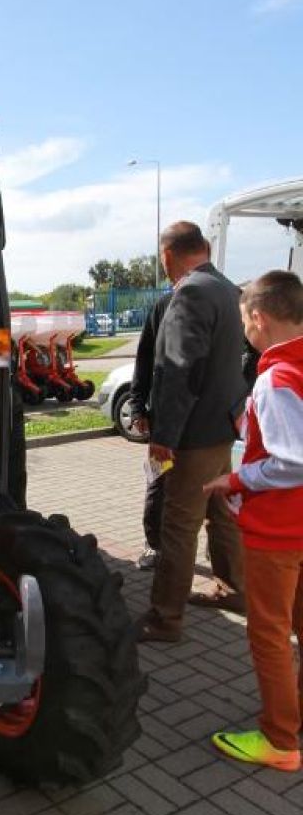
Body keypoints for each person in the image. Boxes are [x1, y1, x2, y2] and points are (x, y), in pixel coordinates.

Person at [203, 270, 303, 770]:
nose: (244, 328)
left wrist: (236, 481)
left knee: (268, 633)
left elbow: (293, 460)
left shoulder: (276, 376)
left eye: (244, 319)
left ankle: (281, 740)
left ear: (259, 317)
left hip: (279, 532)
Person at [136, 221, 246, 642]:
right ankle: (234, 589)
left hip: (193, 434)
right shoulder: (227, 288)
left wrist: (164, 435)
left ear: (169, 255)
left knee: (178, 524)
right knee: (222, 515)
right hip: (223, 427)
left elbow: (180, 371)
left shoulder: (191, 292)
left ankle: (165, 619)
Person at [130, 291, 173, 569]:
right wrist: (137, 406)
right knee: (158, 480)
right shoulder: (164, 305)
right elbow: (145, 355)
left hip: (209, 426)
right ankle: (153, 545)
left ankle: (221, 559)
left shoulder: (230, 297)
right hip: (165, 421)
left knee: (211, 493)